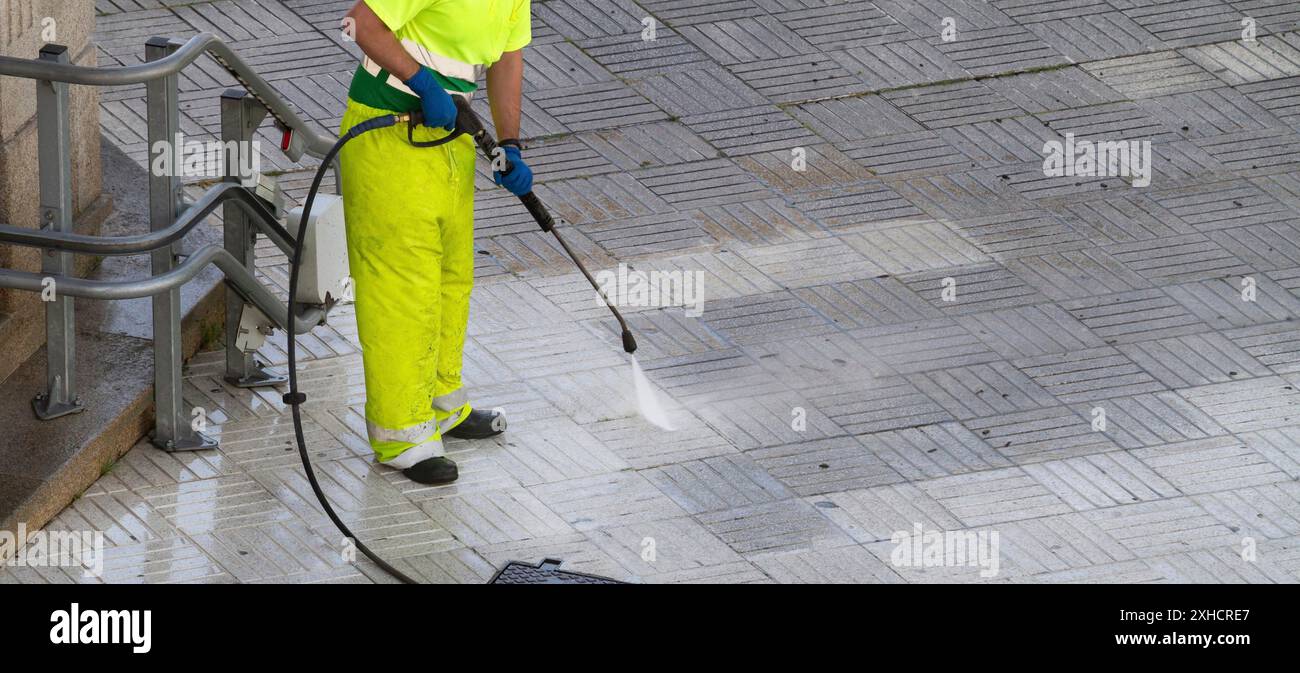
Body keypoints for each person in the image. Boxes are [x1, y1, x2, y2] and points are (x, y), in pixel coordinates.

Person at [339, 0, 534, 484]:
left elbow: (507, 57)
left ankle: (442, 404)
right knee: (403, 291)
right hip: (390, 134)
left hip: (448, 139)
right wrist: (422, 81)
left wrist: (509, 143)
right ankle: (402, 434)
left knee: (451, 278)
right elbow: (362, 23)